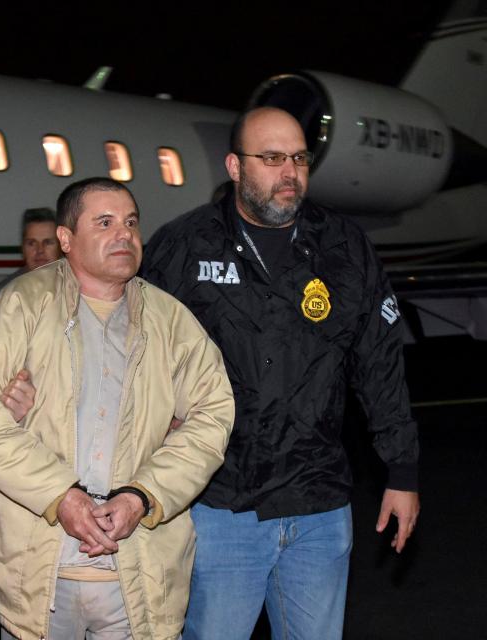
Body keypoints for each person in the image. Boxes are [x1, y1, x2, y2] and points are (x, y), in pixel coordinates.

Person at [140, 107, 421, 639]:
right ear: (234, 166)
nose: (289, 171)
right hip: (220, 504)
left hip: (319, 504)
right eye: (270, 158)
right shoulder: (184, 246)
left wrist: (401, 471)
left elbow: (380, 363)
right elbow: (135, 352)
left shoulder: (344, 246)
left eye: (298, 158)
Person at [0, 177, 235, 639]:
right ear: (66, 238)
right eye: (105, 222)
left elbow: (212, 415)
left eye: (131, 222)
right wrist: (61, 496)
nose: (124, 234)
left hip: (136, 576)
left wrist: (143, 496)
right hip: (37, 577)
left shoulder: (171, 321)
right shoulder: (22, 305)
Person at [0, 207, 63, 290]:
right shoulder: (7, 292)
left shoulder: (77, 288)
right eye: (31, 243)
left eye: (47, 242)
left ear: (61, 247)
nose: (40, 250)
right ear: (23, 248)